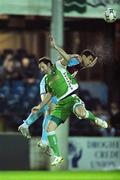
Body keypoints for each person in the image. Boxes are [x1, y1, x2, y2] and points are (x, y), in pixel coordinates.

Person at [29, 36, 108, 166]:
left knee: (81, 114)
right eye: (89, 59)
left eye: (43, 67)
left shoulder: (67, 65)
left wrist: (57, 48)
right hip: (60, 99)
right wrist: (39, 106)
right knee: (50, 126)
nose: (89, 63)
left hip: (70, 95)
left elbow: (68, 61)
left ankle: (96, 119)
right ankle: (56, 154)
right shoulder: (54, 75)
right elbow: (49, 94)